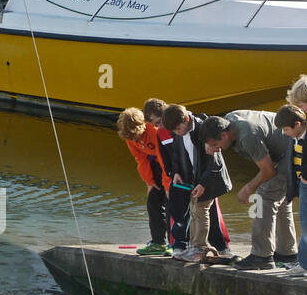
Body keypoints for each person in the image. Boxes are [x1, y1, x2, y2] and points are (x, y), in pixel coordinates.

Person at [200, 111, 299, 270]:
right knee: (279, 198)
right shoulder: (229, 121)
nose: (216, 150)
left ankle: (261, 256)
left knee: (263, 197)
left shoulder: (247, 135)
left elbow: (268, 171)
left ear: (224, 136)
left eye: (215, 145)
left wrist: (248, 188)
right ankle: (287, 253)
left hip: (295, 151)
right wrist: (208, 143)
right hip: (286, 149)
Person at [160, 107, 232, 262]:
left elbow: (215, 162)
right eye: (175, 131)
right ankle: (198, 247)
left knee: (200, 211)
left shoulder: (202, 131)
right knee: (196, 211)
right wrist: (176, 172)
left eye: (179, 129)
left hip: (210, 179)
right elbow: (178, 153)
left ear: (187, 119)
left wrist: (203, 184)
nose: (178, 133)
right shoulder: (180, 132)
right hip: (195, 179)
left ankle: (200, 247)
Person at [117, 106, 171, 256]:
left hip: (168, 164)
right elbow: (140, 158)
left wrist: (167, 185)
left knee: (170, 203)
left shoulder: (154, 132)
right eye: (132, 138)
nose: (136, 140)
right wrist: (149, 181)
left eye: (137, 136)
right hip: (153, 165)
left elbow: (164, 159)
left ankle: (176, 243)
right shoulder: (130, 138)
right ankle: (158, 242)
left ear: (143, 126)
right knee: (153, 202)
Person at [274, 104, 307, 277]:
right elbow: (292, 164)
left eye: (286, 129)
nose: (284, 132)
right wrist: (293, 189)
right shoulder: (293, 138)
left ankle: (304, 265)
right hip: (303, 185)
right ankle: (303, 263)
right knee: (305, 225)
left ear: (298, 124)